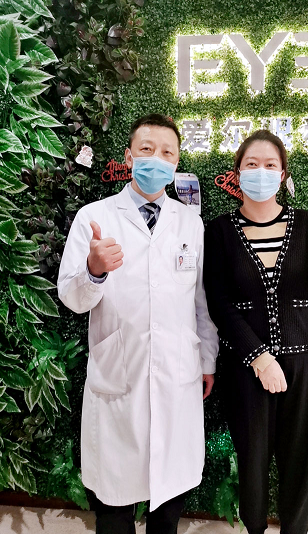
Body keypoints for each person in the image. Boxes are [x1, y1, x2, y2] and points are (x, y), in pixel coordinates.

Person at [203, 130, 308, 534]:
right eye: (251, 164)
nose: (260, 171)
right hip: (247, 366)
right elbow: (219, 304)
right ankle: (255, 529)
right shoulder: (219, 231)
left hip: (305, 362)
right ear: (237, 173)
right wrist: (259, 358)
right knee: (252, 458)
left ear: (282, 175)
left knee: (300, 458)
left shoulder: (307, 224)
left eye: (270, 165)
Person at [57, 113, 218, 534]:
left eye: (167, 153)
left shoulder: (190, 223)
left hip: (177, 374)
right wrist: (93, 270)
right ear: (129, 156)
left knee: (168, 504)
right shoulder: (95, 217)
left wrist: (207, 359)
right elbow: (71, 297)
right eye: (147, 150)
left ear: (177, 162)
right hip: (118, 375)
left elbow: (200, 301)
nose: (156, 159)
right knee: (114, 505)